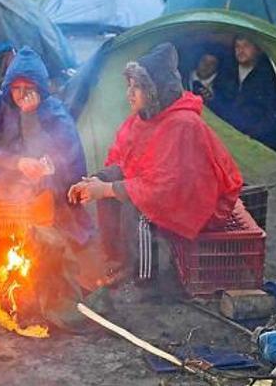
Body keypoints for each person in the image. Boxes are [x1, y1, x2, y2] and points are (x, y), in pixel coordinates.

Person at [68, 43, 244, 282]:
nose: (129, 93)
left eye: (138, 87)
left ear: (155, 91)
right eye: (129, 85)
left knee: (140, 208)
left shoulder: (182, 124)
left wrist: (109, 189)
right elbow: (127, 163)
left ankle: (143, 279)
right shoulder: (145, 118)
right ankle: (119, 259)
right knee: (110, 180)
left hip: (202, 203)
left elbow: (165, 190)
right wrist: (96, 181)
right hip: (166, 191)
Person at [0, 47, 92, 274]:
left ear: (40, 88)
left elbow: (69, 157)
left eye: (28, 88)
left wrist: (31, 120)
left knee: (45, 196)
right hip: (4, 169)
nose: (20, 94)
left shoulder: (54, 110)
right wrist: (16, 162)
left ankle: (39, 247)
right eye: (15, 88)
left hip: (43, 178)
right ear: (8, 88)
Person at [212, 36, 276, 153]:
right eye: (237, 46)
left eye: (246, 46)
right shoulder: (227, 72)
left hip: (258, 142)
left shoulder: (269, 76)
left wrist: (253, 136)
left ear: (257, 50)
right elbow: (219, 101)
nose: (241, 50)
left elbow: (274, 113)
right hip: (227, 138)